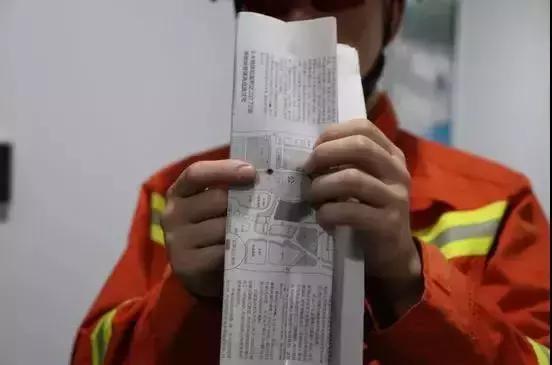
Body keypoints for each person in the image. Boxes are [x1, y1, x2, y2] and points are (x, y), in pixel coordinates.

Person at [71, 1, 550, 364]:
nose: (299, 21)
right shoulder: (178, 196)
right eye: (269, 0)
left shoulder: (497, 201)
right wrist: (187, 299)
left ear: (394, 15)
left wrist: (410, 280)